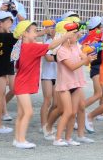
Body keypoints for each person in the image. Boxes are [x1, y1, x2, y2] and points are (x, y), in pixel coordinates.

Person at [11, 20, 73, 148]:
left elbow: (17, 67)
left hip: (21, 83)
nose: (36, 34)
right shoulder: (30, 47)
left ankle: (17, 139)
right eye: (34, 31)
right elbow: (50, 47)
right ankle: (21, 140)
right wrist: (65, 37)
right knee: (28, 112)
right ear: (24, 34)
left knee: (22, 113)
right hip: (23, 84)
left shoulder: (22, 47)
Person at [53, 21, 96, 146]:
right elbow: (71, 67)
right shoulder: (61, 51)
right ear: (66, 36)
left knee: (73, 112)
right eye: (75, 34)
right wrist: (86, 60)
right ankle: (57, 138)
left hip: (76, 84)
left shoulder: (76, 46)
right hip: (65, 85)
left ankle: (68, 138)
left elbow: (86, 61)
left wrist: (89, 58)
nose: (78, 35)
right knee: (67, 112)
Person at [83, 16, 103, 132]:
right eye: (101, 26)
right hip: (96, 68)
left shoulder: (95, 37)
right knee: (98, 93)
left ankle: (101, 114)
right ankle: (79, 110)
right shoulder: (94, 37)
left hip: (100, 67)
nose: (102, 28)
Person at [39, 21, 57, 132]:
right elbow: (48, 58)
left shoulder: (60, 42)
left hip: (57, 75)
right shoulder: (48, 43)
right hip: (47, 75)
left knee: (56, 103)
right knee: (47, 100)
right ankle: (43, 125)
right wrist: (61, 57)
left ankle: (49, 123)